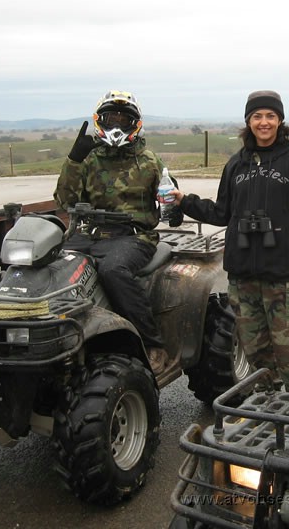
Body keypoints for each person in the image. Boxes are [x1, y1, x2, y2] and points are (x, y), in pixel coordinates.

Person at [169, 90, 289, 394]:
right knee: (257, 358)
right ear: (248, 121)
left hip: (283, 279)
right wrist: (185, 201)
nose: (264, 122)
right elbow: (221, 212)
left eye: (270, 116)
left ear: (280, 120)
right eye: (257, 116)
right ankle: (267, 416)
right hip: (243, 280)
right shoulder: (237, 164)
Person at [54, 89, 181, 374]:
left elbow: (169, 198)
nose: (116, 125)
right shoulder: (88, 159)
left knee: (113, 270)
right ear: (100, 120)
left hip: (134, 237)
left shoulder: (149, 161)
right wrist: (73, 161)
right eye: (111, 118)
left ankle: (152, 343)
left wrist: (173, 204)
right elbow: (65, 201)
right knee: (51, 267)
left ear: (134, 123)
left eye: (124, 120)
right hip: (89, 234)